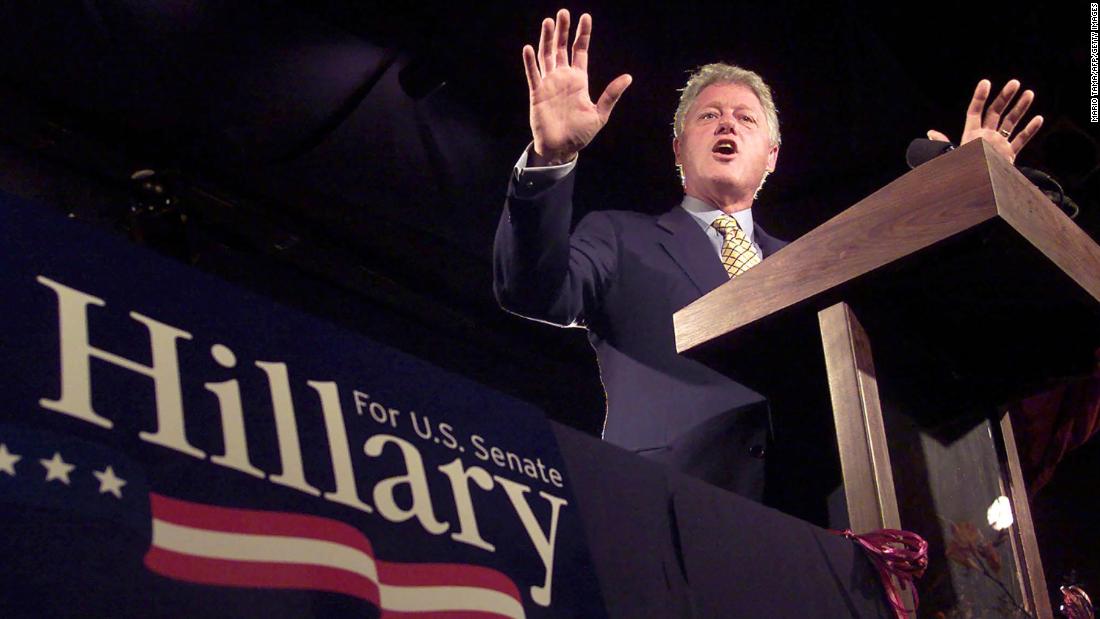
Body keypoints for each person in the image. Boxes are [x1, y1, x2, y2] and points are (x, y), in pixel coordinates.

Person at [493, 8, 1044, 503]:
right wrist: (551, 157)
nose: (727, 122)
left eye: (745, 117)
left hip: (810, 520)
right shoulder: (620, 236)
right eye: (708, 117)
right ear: (678, 149)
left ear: (772, 157)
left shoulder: (815, 266)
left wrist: (969, 189)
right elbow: (531, 289)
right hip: (662, 507)